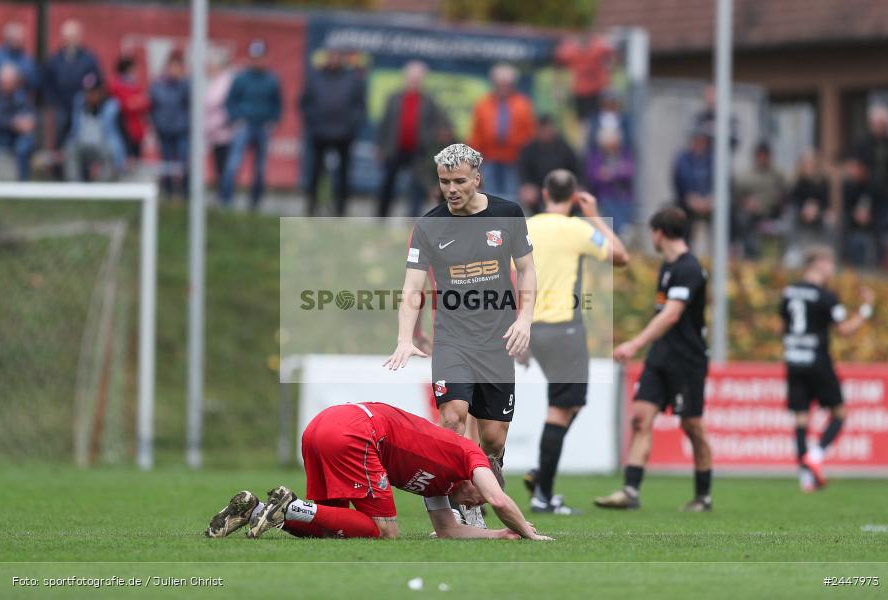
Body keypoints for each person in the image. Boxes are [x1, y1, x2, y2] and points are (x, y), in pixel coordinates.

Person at [384, 143, 537, 525]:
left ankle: (489, 472)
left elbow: (528, 271)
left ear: (477, 179)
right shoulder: (430, 226)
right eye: (444, 182)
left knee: (493, 439)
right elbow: (412, 288)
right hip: (452, 340)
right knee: (452, 419)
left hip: (498, 341)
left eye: (459, 181)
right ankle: (464, 510)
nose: (451, 189)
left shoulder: (508, 214)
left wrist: (525, 319)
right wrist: (405, 338)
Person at [205, 402, 552, 541]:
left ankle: (256, 509)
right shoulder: (470, 455)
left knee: (332, 528)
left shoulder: (440, 487)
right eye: (477, 500)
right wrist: (529, 534)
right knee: (386, 533)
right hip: (358, 432)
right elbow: (500, 500)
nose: (475, 504)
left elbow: (447, 531)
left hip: (322, 427)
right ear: (478, 481)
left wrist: (500, 535)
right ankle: (293, 506)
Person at [521, 170, 628, 514]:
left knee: (571, 403)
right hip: (562, 326)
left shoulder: (525, 227)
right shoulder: (577, 229)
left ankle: (542, 473)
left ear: (543, 192)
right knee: (561, 407)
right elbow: (620, 256)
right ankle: (543, 495)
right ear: (575, 196)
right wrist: (595, 217)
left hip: (531, 326)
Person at [596, 206, 713, 512]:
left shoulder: (689, 268)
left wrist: (634, 343)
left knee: (692, 426)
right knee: (640, 419)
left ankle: (703, 496)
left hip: (688, 361)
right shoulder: (668, 266)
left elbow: (672, 314)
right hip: (660, 357)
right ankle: (630, 492)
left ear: (659, 233)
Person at [779, 246, 875, 492]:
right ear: (819, 264)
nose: (832, 270)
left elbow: (783, 324)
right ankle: (817, 456)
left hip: (793, 360)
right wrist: (866, 309)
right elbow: (844, 330)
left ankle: (806, 479)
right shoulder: (826, 296)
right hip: (818, 361)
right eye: (830, 265)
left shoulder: (788, 292)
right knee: (840, 413)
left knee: (801, 418)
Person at [375, 61, 449, 218]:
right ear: (405, 78)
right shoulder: (394, 98)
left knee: (417, 188)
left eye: (417, 78)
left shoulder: (429, 101)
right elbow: (384, 124)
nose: (414, 81)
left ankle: (412, 218)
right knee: (387, 184)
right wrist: (380, 146)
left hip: (419, 151)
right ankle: (381, 216)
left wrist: (433, 136)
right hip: (395, 149)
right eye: (411, 78)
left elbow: (440, 121)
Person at [300, 48, 366, 216]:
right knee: (315, 172)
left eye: (338, 56)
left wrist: (351, 124)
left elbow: (360, 105)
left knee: (343, 174)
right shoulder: (315, 77)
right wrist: (313, 121)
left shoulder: (352, 78)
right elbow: (304, 103)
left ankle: (341, 209)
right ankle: (312, 205)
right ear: (327, 58)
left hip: (344, 134)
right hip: (320, 133)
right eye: (332, 56)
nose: (334, 60)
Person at [220, 40, 282, 210]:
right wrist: (237, 119)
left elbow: (277, 104)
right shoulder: (241, 78)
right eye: (255, 57)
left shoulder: (272, 80)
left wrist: (273, 121)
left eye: (261, 57)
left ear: (267, 58)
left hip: (262, 127)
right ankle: (226, 201)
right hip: (244, 125)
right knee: (233, 164)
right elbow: (230, 102)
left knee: (260, 169)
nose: (258, 61)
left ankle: (255, 204)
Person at [468, 64, 535, 201]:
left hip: (514, 161)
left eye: (507, 84)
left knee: (511, 198)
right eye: (499, 84)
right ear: (493, 84)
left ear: (513, 85)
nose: (503, 88)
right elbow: (476, 134)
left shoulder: (523, 104)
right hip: (489, 159)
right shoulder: (483, 104)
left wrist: (523, 155)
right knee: (489, 197)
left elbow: (529, 134)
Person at [43, 20, 102, 171]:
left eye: (74, 36)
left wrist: (88, 97)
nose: (71, 40)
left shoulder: (88, 59)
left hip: (82, 109)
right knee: (60, 142)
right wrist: (53, 103)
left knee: (82, 140)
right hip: (61, 108)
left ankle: (82, 173)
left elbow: (97, 80)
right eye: (68, 37)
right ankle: (58, 173)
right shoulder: (55, 60)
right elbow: (47, 83)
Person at [852, 104, 888, 270]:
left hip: (887, 194)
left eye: (882, 123)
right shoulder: (862, 142)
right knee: (865, 229)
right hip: (866, 193)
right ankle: (865, 265)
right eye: (876, 122)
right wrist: (862, 203)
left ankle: (884, 262)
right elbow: (857, 171)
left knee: (885, 230)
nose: (879, 126)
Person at [63, 74, 125, 182]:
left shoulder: (111, 107)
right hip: (82, 145)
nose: (89, 95)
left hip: (103, 146)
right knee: (70, 148)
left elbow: (123, 133)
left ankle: (104, 189)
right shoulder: (78, 105)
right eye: (86, 92)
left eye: (92, 92)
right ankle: (74, 188)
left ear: (100, 91)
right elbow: (69, 129)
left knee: (109, 151)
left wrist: (126, 155)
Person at [732, 142, 787, 259]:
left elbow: (785, 194)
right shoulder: (747, 175)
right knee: (741, 218)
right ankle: (747, 251)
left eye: (765, 156)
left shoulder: (777, 175)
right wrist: (747, 203)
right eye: (760, 156)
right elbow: (738, 196)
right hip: (751, 213)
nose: (762, 159)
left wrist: (775, 202)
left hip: (772, 212)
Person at [517, 115, 579, 214]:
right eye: (543, 130)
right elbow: (523, 172)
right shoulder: (529, 149)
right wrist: (527, 186)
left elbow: (576, 169)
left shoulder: (565, 147)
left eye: (549, 130)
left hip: (563, 186)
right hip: (539, 189)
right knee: (528, 195)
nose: (546, 133)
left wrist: (578, 185)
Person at [149, 51, 190, 199]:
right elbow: (152, 106)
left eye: (178, 66)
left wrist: (183, 81)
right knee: (166, 163)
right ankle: (168, 191)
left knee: (183, 161)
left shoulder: (185, 84)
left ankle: (186, 192)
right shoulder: (158, 85)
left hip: (182, 130)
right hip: (164, 130)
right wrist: (156, 124)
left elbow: (192, 103)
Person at [784, 149, 834, 267]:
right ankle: (793, 249)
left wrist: (816, 209)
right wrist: (804, 209)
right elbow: (794, 200)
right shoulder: (796, 181)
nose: (808, 167)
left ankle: (825, 251)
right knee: (790, 215)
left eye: (811, 164)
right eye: (805, 164)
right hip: (801, 213)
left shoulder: (823, 182)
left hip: (818, 214)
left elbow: (826, 202)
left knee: (830, 219)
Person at [584, 126, 635, 235]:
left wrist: (611, 174)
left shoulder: (624, 154)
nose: (611, 145)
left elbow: (629, 172)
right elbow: (593, 175)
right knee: (608, 206)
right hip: (604, 194)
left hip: (623, 194)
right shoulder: (596, 157)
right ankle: (624, 230)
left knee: (624, 206)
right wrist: (615, 172)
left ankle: (624, 231)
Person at [554, 34, 614, 120]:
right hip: (579, 92)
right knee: (580, 120)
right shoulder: (568, 50)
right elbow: (558, 67)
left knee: (598, 119)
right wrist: (558, 88)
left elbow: (610, 60)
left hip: (597, 90)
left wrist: (609, 82)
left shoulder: (600, 46)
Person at [672, 130, 713, 252]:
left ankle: (721, 252)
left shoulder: (712, 159)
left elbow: (720, 181)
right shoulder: (683, 159)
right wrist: (690, 198)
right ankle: (685, 251)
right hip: (687, 202)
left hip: (710, 204)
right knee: (681, 217)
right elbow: (680, 180)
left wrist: (710, 199)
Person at [0, 63, 35, 181]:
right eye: (4, 81)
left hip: (17, 137)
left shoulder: (21, 97)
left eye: (9, 81)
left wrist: (27, 123)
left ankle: (22, 184)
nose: (6, 84)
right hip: (0, 135)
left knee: (24, 145)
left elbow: (29, 119)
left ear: (15, 82)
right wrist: (12, 123)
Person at [109, 55, 149, 160]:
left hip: (137, 128)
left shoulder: (136, 85)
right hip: (122, 128)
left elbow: (145, 103)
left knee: (137, 157)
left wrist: (134, 103)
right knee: (125, 156)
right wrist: (134, 103)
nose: (136, 72)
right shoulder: (116, 85)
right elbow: (124, 106)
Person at [205, 52, 234, 185]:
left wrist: (219, 124)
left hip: (224, 130)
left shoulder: (226, 81)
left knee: (225, 164)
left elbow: (217, 102)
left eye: (212, 66)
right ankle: (221, 192)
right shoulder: (213, 81)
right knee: (218, 164)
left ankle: (225, 195)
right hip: (214, 131)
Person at [0, 21, 38, 94]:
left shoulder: (27, 60)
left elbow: (35, 83)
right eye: (14, 39)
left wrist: (22, 78)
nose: (17, 42)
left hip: (20, 101)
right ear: (7, 38)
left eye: (19, 39)